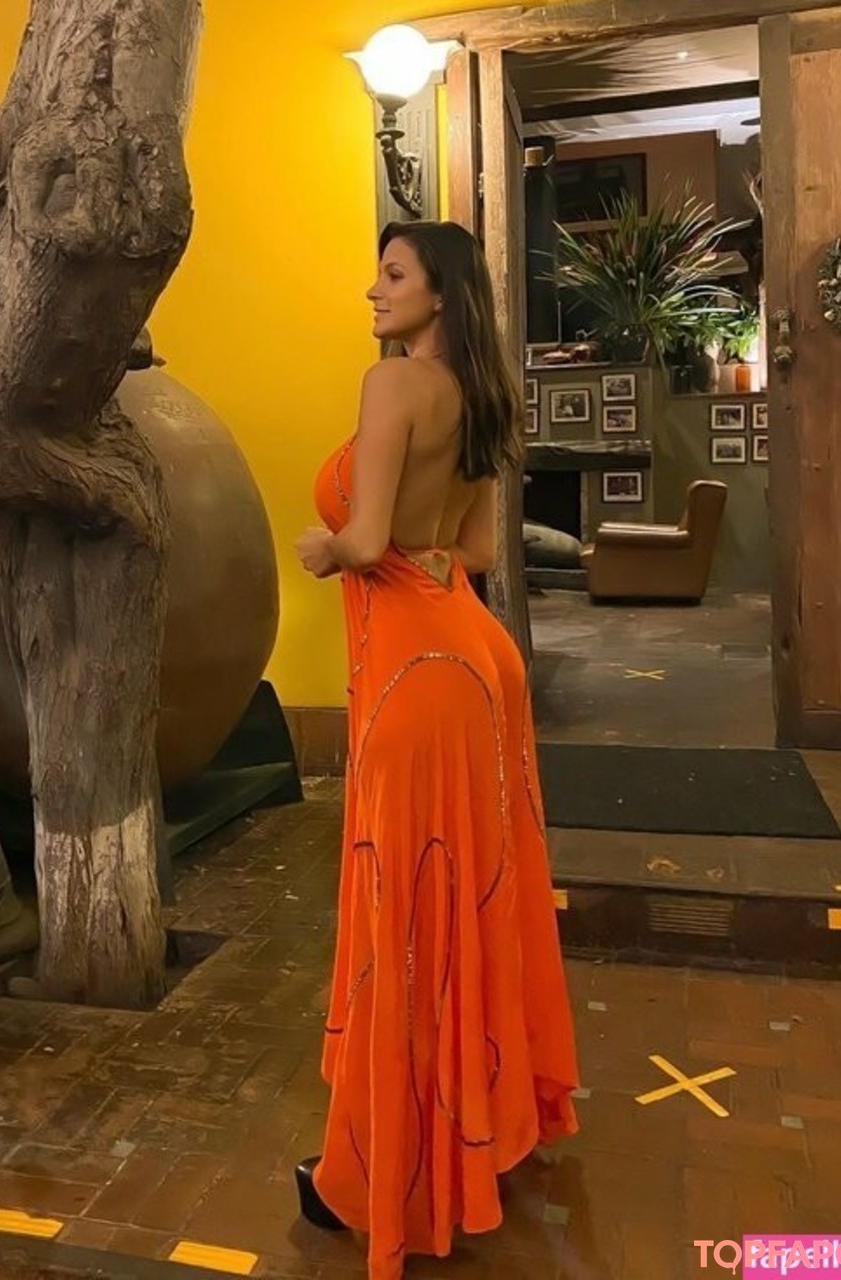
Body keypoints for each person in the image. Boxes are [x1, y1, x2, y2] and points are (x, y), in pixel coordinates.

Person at [294, 220, 580, 1280]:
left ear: (441, 295)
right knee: (473, 901)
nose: (374, 289)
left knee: (405, 925)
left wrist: (326, 547)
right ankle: (474, 1133)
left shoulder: (393, 385)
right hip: (475, 656)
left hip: (412, 674)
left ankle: (388, 1177)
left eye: (393, 274)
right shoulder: (486, 397)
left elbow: (369, 540)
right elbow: (473, 549)